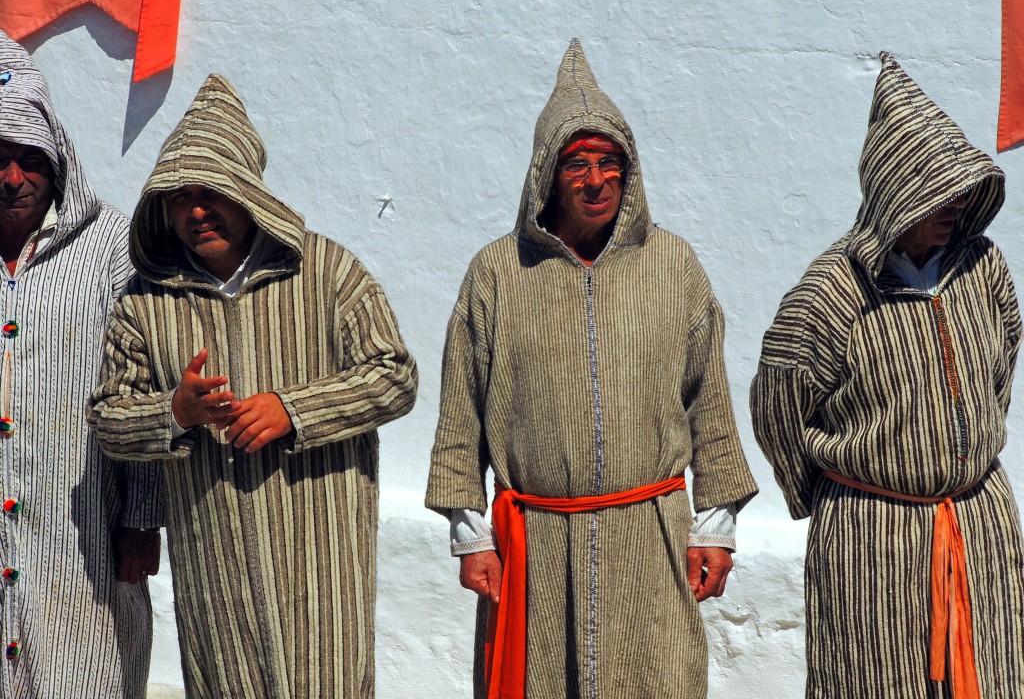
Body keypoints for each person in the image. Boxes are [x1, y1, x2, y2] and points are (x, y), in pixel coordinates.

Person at [425, 39, 759, 699]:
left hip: (651, 542)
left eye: (609, 162)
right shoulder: (498, 272)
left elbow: (710, 405)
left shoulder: (674, 267)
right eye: (577, 163)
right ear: (547, 173)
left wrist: (715, 527)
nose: (595, 179)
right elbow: (460, 412)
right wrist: (471, 537)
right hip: (534, 552)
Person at [87, 74, 418, 698]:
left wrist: (293, 410)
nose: (196, 211)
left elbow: (394, 376)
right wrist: (175, 412)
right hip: (215, 564)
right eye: (178, 198)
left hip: (322, 557)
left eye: (210, 192)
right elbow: (107, 419)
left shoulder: (326, 272)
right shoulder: (145, 304)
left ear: (247, 192)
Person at [750, 52, 1024, 697]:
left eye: (958, 191)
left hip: (977, 523)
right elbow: (778, 405)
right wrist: (826, 490)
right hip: (873, 537)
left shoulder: (982, 268)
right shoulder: (831, 292)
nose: (952, 207)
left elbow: (1002, 362)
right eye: (935, 194)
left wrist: (961, 449)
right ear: (897, 193)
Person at [0, 31, 161, 696]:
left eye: (28, 158)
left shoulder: (112, 246)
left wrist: (142, 515)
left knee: (83, 671)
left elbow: (146, 377)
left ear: (56, 155)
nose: (12, 178)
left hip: (84, 530)